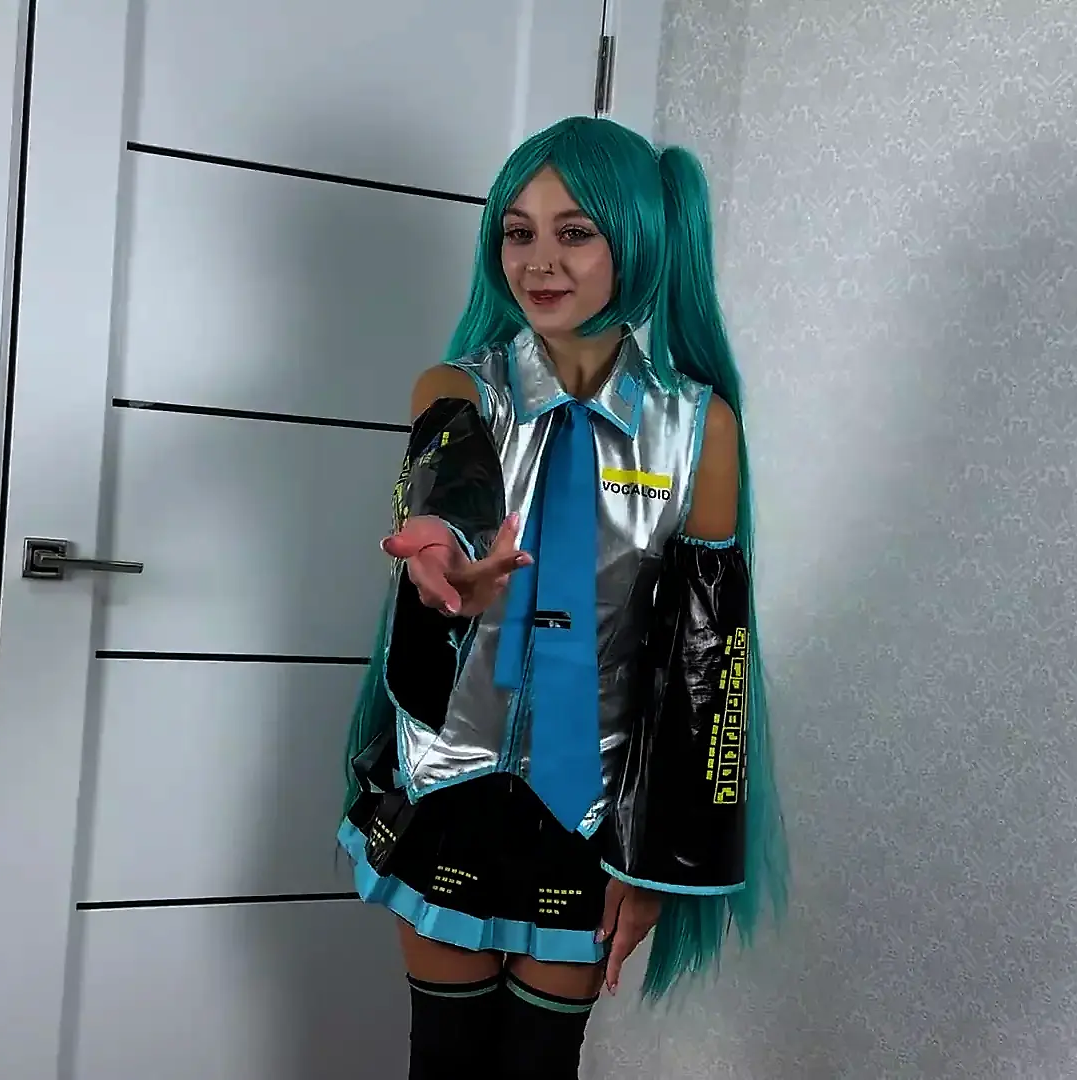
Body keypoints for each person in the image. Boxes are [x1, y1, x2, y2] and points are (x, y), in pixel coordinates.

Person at [336, 115, 788, 1079]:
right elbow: (445, 487)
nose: (538, 261)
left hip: (592, 812)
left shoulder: (699, 430)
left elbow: (706, 661)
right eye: (518, 232)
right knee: (445, 1064)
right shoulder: (458, 388)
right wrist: (441, 555)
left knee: (541, 1067)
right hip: (447, 782)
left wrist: (659, 861)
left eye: (574, 232)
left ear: (639, 240)